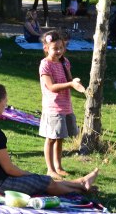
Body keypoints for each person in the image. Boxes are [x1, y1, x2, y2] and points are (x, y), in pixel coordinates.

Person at [0, 83, 100, 195]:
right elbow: (9, 169)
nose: (6, 104)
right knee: (43, 181)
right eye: (5, 101)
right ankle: (80, 189)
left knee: (43, 180)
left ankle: (80, 183)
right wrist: (29, 174)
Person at [39, 30, 86, 180]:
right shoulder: (45, 65)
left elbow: (69, 80)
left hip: (66, 105)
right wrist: (70, 84)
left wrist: (75, 83)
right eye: (55, 48)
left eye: (61, 47)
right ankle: (50, 169)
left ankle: (58, 167)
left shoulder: (65, 62)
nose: (59, 51)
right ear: (46, 48)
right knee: (51, 138)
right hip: (53, 107)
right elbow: (51, 87)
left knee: (60, 138)